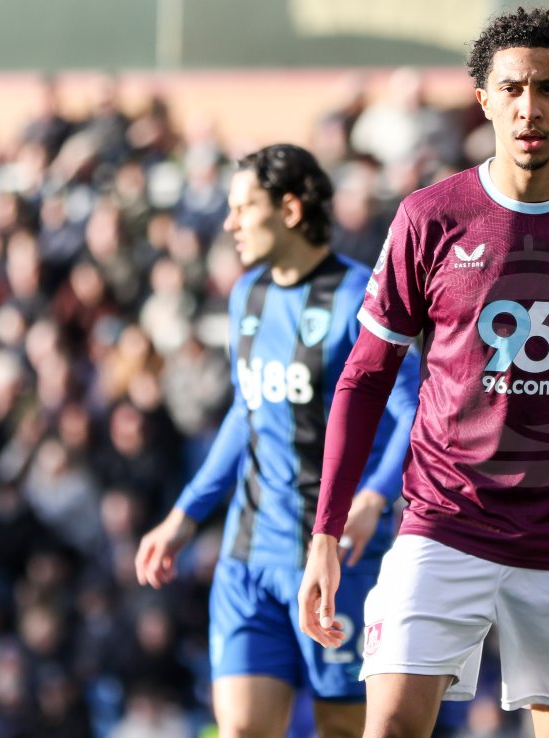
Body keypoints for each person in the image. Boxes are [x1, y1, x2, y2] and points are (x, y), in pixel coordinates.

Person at [297, 7, 549, 738]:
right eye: (510, 89)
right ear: (483, 101)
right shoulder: (429, 217)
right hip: (444, 521)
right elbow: (365, 378)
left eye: (546, 88)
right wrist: (325, 531)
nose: (528, 107)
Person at [135, 144, 419, 738]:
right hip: (249, 555)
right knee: (241, 729)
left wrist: (373, 498)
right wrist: (184, 515)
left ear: (290, 210)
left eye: (244, 208)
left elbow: (412, 413)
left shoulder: (358, 301)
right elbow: (247, 412)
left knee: (346, 729)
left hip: (337, 561)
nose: (230, 222)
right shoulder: (247, 295)